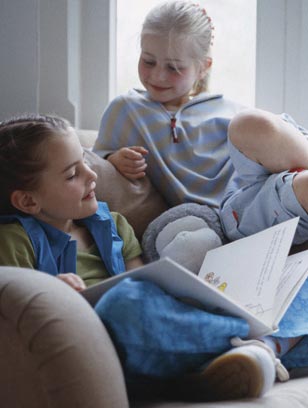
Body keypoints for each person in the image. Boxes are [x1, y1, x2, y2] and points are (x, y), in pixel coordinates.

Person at [92, 0, 308, 398]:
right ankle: (266, 347)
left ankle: (253, 349)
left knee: (252, 124)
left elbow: (261, 167)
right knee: (123, 305)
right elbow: (92, 170)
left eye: (174, 67)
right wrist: (111, 158)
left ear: (204, 66)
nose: (158, 75)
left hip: (258, 203)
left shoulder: (228, 111)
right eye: (147, 60)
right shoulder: (126, 110)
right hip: (213, 230)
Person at [0, 112, 293, 401]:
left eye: (86, 163)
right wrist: (53, 291)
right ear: (28, 200)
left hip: (158, 334)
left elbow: (145, 281)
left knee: (293, 289)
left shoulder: (114, 224)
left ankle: (229, 364)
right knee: (124, 305)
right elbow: (12, 310)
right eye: (72, 174)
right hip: (104, 340)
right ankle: (255, 342)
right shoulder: (15, 240)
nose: (92, 175)